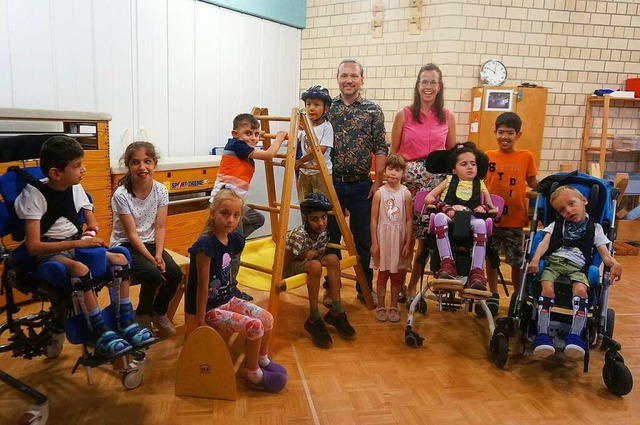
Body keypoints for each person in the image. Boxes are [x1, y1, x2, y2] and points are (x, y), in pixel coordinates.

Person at [15, 136, 153, 357]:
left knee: (120, 260)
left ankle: (125, 321)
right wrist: (79, 242)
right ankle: (99, 331)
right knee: (81, 269)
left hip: (76, 245)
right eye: (77, 166)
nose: (84, 169)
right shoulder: (34, 195)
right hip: (49, 253)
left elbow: (92, 222)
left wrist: (90, 235)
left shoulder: (75, 187)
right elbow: (33, 246)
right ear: (56, 173)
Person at [184, 189, 287, 392]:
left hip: (228, 298)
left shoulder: (233, 240)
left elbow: (227, 275)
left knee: (267, 318)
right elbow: (201, 286)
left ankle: (262, 358)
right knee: (254, 326)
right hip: (210, 309)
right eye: (224, 213)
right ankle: (253, 373)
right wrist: (201, 320)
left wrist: (235, 299)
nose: (230, 219)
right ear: (212, 213)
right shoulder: (205, 245)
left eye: (235, 215)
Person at [528, 185, 622, 359]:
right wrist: (534, 260)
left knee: (581, 292)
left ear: (584, 201)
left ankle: (575, 336)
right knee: (547, 290)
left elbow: (605, 254)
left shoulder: (595, 229)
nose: (568, 211)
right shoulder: (556, 225)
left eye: (572, 203)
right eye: (562, 210)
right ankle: (542, 336)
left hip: (578, 267)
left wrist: (616, 263)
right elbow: (543, 244)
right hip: (553, 264)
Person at [390, 63, 457, 306]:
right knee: (404, 234)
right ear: (418, 86)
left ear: (440, 87)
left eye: (433, 82)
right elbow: (393, 153)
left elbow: (453, 156)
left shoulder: (448, 116)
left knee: (427, 239)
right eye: (424, 82)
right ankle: (396, 285)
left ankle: (411, 288)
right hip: (409, 182)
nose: (428, 86)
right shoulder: (404, 114)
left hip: (436, 185)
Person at [325, 57, 388, 306]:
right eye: (344, 75)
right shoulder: (328, 108)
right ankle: (331, 288)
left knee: (363, 239)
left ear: (362, 79)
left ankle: (364, 288)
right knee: (330, 236)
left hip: (363, 184)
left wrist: (378, 181)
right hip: (332, 183)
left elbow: (380, 147)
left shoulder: (373, 110)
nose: (349, 80)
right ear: (337, 78)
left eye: (354, 76)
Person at [210, 113, 287, 301]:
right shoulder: (237, 145)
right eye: (248, 133)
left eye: (256, 134)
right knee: (235, 252)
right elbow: (269, 155)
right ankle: (231, 289)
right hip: (225, 204)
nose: (253, 138)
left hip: (234, 204)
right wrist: (280, 137)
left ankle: (227, 242)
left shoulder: (243, 146)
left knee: (257, 219)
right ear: (235, 133)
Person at [110, 141, 183, 337]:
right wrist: (152, 260)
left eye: (147, 161)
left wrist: (158, 254)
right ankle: (142, 313)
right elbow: (132, 234)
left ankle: (158, 312)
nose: (142, 167)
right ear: (128, 165)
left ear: (154, 164)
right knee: (152, 273)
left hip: (150, 242)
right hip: (125, 244)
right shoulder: (121, 194)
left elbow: (160, 226)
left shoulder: (160, 190)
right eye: (136, 162)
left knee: (174, 273)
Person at [483, 112, 538, 316]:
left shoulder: (526, 156)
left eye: (510, 133)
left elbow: (533, 182)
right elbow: (480, 182)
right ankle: (493, 294)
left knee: (517, 261)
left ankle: (518, 297)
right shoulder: (488, 156)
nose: (504, 137)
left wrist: (552, 187)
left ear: (518, 135)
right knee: (492, 258)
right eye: (500, 132)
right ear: (494, 133)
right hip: (492, 219)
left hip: (515, 219)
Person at [283, 193, 354, 348]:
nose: (321, 223)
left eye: (323, 217)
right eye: (314, 219)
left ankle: (336, 310)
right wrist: (280, 277)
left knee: (333, 259)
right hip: (292, 266)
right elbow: (286, 260)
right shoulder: (299, 236)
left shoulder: (324, 232)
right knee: (315, 266)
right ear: (306, 219)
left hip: (310, 259)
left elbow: (319, 252)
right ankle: (313, 318)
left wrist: (313, 254)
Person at [424, 142, 495, 291]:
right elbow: (429, 197)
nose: (470, 167)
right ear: (454, 170)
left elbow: (491, 206)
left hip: (470, 219)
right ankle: (447, 263)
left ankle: (476, 272)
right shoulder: (449, 181)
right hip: (449, 217)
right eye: (464, 164)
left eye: (473, 164)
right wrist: (445, 207)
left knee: (481, 224)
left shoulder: (480, 184)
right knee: (439, 218)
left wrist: (484, 207)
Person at [370, 154, 413, 322]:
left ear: (403, 172)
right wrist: (374, 242)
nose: (393, 173)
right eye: (390, 169)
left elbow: (409, 220)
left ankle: (393, 306)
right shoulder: (379, 194)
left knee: (396, 275)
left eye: (397, 169)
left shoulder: (406, 194)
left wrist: (408, 243)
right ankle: (381, 305)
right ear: (385, 171)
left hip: (399, 239)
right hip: (383, 239)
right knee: (382, 274)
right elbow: (373, 220)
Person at [295, 85, 334, 201]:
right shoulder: (303, 124)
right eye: (308, 104)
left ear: (325, 109)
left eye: (316, 105)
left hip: (321, 172)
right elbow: (293, 143)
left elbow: (320, 151)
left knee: (321, 204)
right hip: (304, 171)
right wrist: (296, 129)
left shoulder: (326, 127)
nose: (311, 108)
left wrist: (300, 161)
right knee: (304, 203)